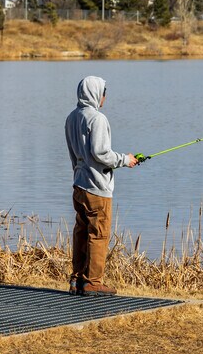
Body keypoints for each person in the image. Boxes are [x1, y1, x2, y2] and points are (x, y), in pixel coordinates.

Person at [65, 76, 138, 295]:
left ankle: (77, 279)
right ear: (97, 93)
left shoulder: (72, 117)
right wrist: (126, 160)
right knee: (98, 234)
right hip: (97, 188)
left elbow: (74, 152)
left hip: (79, 185)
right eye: (104, 92)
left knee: (81, 232)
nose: (105, 97)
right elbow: (101, 153)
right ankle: (93, 282)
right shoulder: (97, 119)